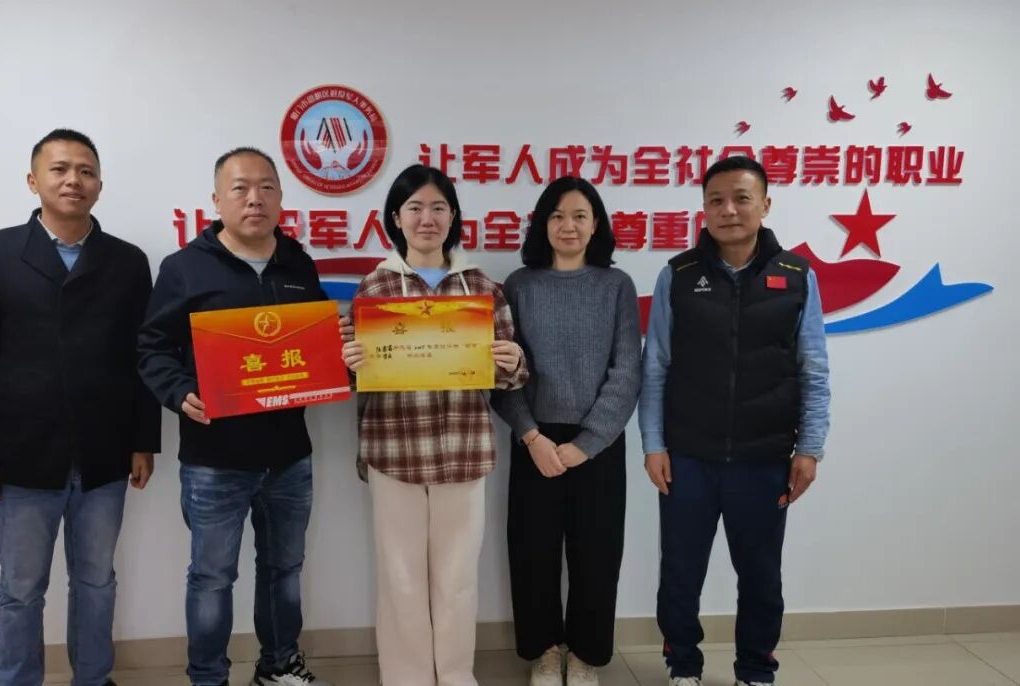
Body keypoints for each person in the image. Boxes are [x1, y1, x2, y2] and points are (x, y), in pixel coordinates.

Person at [0, 128, 160, 686]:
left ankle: (93, 677)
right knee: (21, 588)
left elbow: (142, 358)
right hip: (20, 455)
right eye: (60, 169)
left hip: (104, 453)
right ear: (33, 180)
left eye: (86, 171)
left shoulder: (127, 261)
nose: (73, 180)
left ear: (100, 185)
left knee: (97, 581)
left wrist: (144, 442)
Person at [138, 147, 332, 686]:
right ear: (217, 200)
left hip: (289, 456)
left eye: (267, 187)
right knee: (212, 577)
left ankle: (278, 666)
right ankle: (208, 677)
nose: (255, 199)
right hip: (214, 458)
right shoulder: (184, 268)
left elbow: (313, 349)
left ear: (281, 198)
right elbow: (152, 348)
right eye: (241, 188)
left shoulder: (298, 264)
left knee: (284, 570)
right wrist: (179, 391)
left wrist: (337, 355)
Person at [638, 156, 831, 686]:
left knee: (762, 575)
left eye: (741, 198)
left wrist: (809, 448)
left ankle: (755, 669)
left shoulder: (797, 276)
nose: (728, 210)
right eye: (716, 200)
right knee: (680, 573)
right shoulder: (678, 275)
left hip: (765, 458)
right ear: (703, 210)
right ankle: (683, 665)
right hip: (688, 457)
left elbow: (813, 369)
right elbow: (655, 366)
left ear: (765, 205)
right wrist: (653, 444)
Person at [339, 164, 527, 686]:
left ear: (453, 217)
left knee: (458, 578)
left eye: (439, 207)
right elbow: (354, 377)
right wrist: (347, 363)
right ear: (396, 218)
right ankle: (407, 677)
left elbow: (509, 375)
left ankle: (457, 675)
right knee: (399, 578)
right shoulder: (375, 285)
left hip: (463, 450)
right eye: (415, 208)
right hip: (394, 451)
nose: (427, 218)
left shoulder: (480, 285)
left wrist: (514, 361)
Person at [491, 177, 641, 686]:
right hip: (534, 439)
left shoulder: (616, 286)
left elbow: (627, 371)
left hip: (599, 442)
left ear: (596, 224)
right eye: (557, 216)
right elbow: (501, 372)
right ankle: (544, 651)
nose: (568, 226)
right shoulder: (519, 285)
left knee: (596, 554)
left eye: (579, 215)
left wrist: (587, 444)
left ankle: (584, 654)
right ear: (542, 224)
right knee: (532, 553)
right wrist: (531, 436)